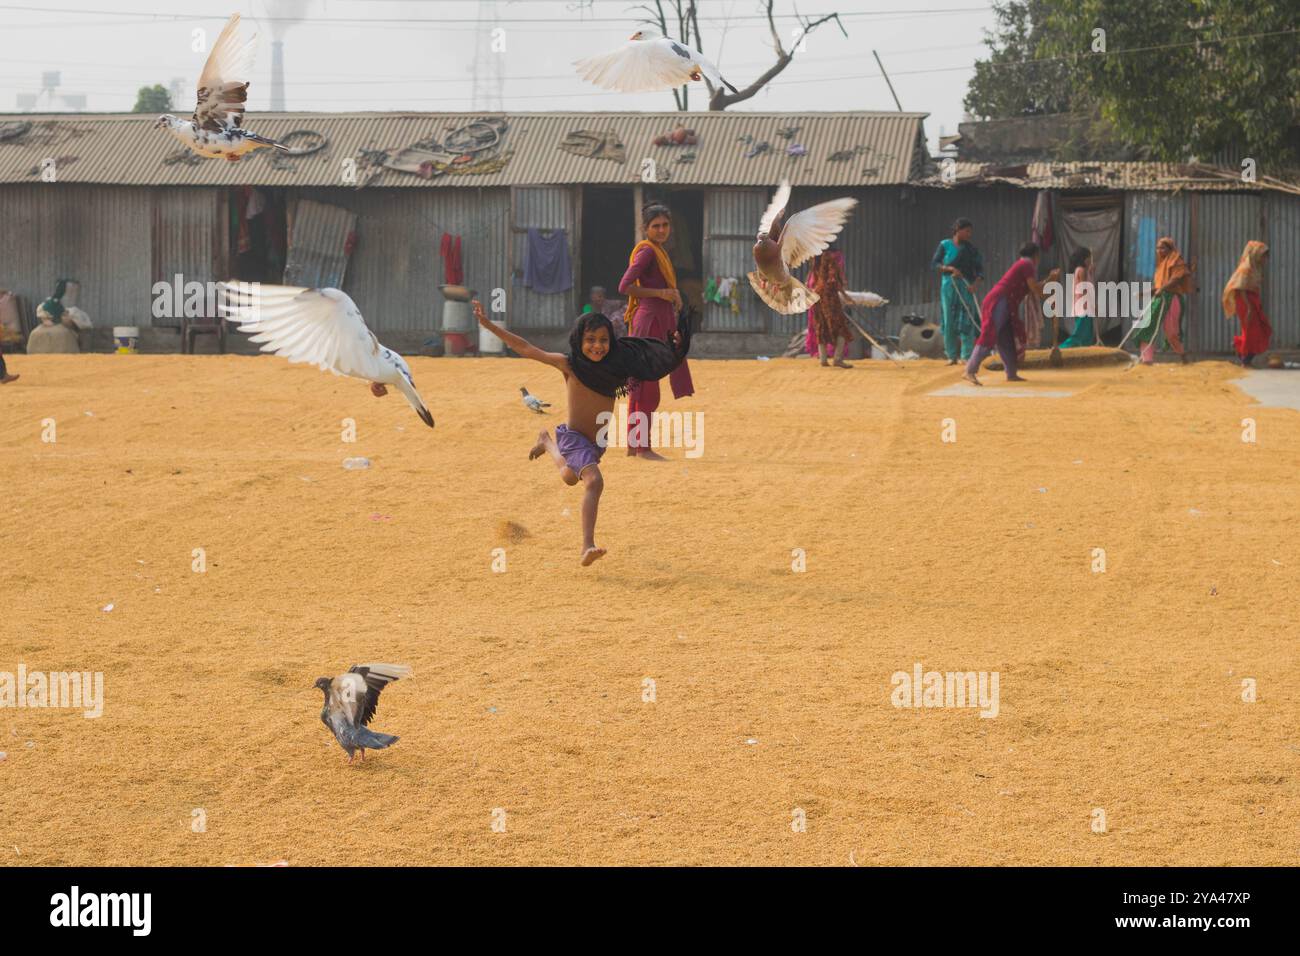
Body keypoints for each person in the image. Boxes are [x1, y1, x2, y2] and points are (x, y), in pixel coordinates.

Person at [474, 299, 691, 566]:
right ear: (579, 340)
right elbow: (526, 348)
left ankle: (546, 442)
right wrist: (489, 326)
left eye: (603, 340)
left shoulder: (619, 366)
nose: (597, 346)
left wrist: (675, 346)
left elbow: (651, 358)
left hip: (596, 442)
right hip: (575, 437)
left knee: (568, 477)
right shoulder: (569, 365)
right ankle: (587, 546)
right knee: (594, 482)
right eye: (590, 340)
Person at [618, 202, 695, 460]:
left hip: (657, 318)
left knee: (639, 385)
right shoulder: (648, 253)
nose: (661, 230)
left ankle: (634, 445)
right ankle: (643, 448)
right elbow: (625, 286)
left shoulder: (658, 251)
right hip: (649, 320)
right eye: (656, 226)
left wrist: (670, 296)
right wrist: (662, 293)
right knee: (648, 388)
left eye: (665, 225)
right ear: (645, 228)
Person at [963, 242, 1059, 386]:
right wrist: (1049, 299)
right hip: (999, 301)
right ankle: (969, 370)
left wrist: (1050, 280)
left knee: (1006, 337)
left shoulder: (1024, 265)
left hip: (1006, 303)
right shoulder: (1027, 265)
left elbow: (1033, 286)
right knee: (990, 334)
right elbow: (1034, 288)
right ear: (1035, 256)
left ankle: (1011, 373)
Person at [1131, 236, 1193, 364]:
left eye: (1162, 248)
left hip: (1172, 299)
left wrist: (1163, 288)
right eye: (1157, 248)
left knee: (1171, 332)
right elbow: (1158, 287)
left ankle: (1183, 356)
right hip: (1159, 299)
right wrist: (1144, 293)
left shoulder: (1176, 260)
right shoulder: (1160, 266)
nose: (1159, 250)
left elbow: (1176, 279)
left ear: (1170, 249)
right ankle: (1146, 359)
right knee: (1147, 327)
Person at [930, 218, 984, 364]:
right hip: (949, 286)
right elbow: (935, 264)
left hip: (966, 287)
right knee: (949, 321)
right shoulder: (944, 245)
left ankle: (966, 356)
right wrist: (950, 268)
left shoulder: (971, 250)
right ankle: (951, 356)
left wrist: (975, 285)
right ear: (958, 230)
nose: (969, 234)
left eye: (970, 231)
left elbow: (979, 270)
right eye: (967, 231)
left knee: (967, 320)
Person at [1222, 240, 1271, 367]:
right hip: (1245, 302)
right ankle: (1245, 359)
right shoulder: (1246, 268)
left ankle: (1240, 347)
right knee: (1253, 332)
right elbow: (1241, 288)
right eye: (1263, 255)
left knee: (1258, 329)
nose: (1265, 258)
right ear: (1255, 254)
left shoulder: (1255, 268)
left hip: (1252, 301)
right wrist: (1249, 308)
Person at [808, 251, 853, 368]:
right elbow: (833, 280)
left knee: (821, 327)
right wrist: (845, 295)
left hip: (817, 296)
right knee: (841, 328)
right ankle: (838, 359)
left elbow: (814, 279)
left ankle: (823, 359)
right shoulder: (830, 258)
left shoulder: (815, 259)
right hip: (829, 297)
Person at [1059, 246, 1098, 349]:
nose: (1090, 260)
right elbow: (1084, 289)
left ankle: (1086, 353)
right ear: (1085, 259)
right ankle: (1061, 348)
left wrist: (1090, 272)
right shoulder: (1082, 270)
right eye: (1089, 258)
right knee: (1079, 334)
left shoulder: (1080, 270)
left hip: (1080, 305)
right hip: (1084, 306)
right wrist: (1092, 305)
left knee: (1087, 334)